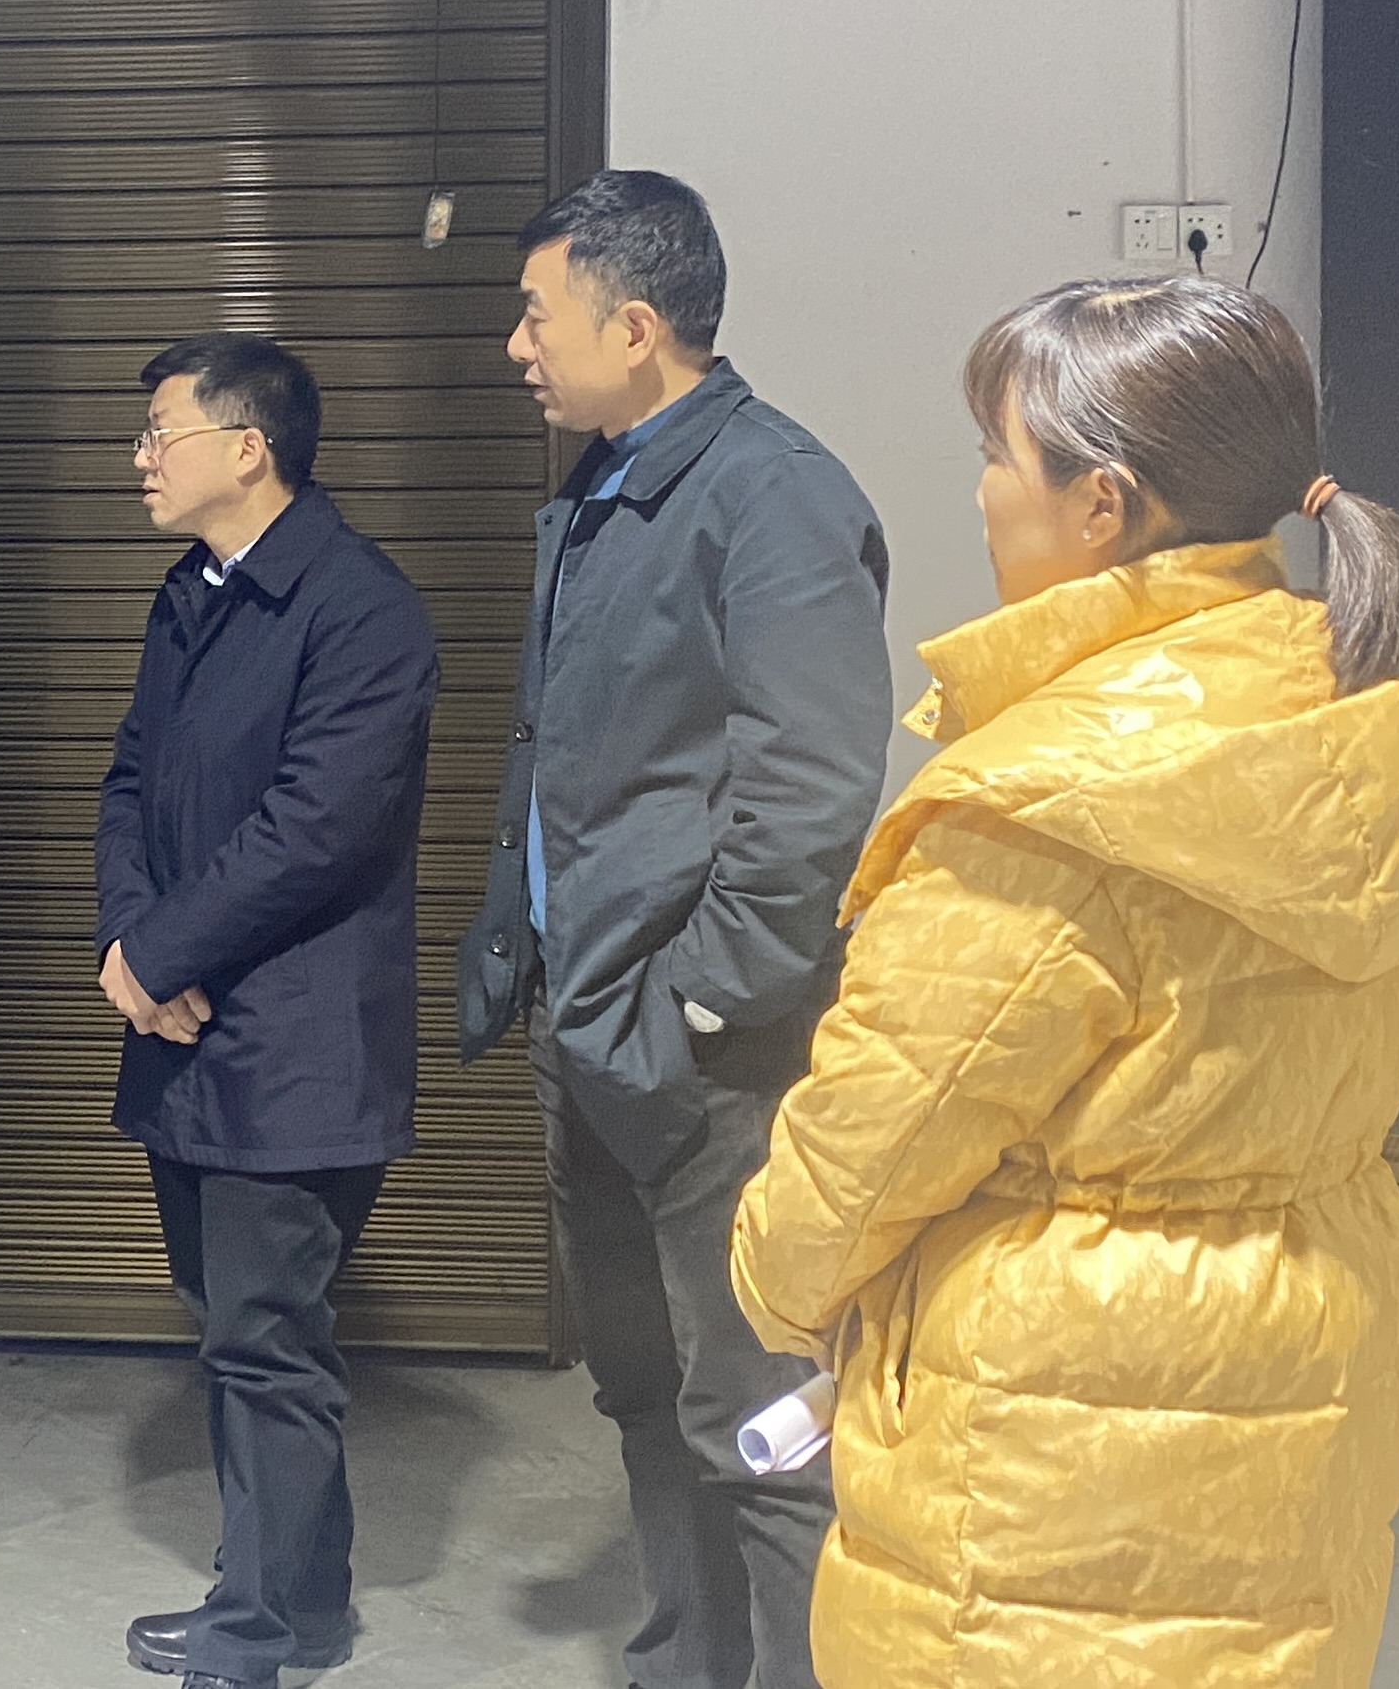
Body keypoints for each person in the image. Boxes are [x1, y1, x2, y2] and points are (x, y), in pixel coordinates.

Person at [730, 277, 1399, 1689]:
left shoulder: (1045, 806)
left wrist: (773, 1283)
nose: (982, 491)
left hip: (1052, 1435)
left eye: (997, 455)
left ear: (1101, 507)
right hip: (1310, 1367)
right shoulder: (1362, 713)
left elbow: (865, 1155)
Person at [466, 169, 892, 1689]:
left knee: (762, 1424)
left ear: (635, 326)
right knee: (645, 1391)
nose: (516, 345)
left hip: (712, 1061)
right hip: (593, 1024)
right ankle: (684, 1663)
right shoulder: (609, 484)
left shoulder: (772, 495)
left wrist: (702, 998)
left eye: (537, 315)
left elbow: (814, 783)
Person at [96, 333, 441, 1689]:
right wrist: (134, 947)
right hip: (184, 1028)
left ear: (248, 449)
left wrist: (166, 952)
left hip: (295, 1044)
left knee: (263, 1341)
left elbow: (318, 829)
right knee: (243, 1327)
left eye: (160, 433)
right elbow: (130, 781)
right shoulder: (191, 594)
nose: (140, 458)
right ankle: (302, 1601)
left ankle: (249, 1635)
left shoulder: (360, 609)